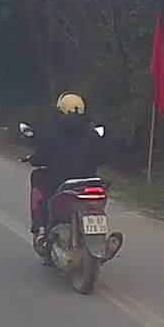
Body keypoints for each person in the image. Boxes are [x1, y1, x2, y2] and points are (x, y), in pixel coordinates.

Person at [27, 92, 105, 235]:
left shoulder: (52, 133)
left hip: (60, 184)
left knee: (43, 194)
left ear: (60, 109)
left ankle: (41, 227)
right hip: (89, 184)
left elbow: (40, 157)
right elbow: (102, 158)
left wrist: (33, 159)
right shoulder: (92, 134)